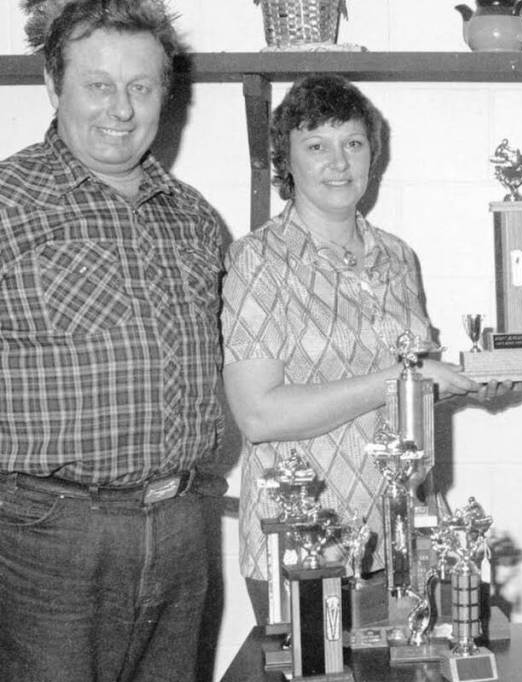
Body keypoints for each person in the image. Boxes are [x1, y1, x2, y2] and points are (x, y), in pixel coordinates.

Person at [0, 1, 227, 680]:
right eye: (98, 85)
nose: (121, 110)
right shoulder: (8, 202)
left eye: (141, 87)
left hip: (184, 529)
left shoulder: (196, 220)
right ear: (53, 85)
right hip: (47, 536)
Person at [220, 74, 480, 624]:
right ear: (286, 162)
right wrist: (402, 377)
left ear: (372, 156)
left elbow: (406, 405)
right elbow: (260, 414)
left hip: (401, 540)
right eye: (316, 146)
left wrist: (468, 380)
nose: (338, 163)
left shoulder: (397, 256)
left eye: (353, 144)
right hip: (304, 546)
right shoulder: (258, 261)